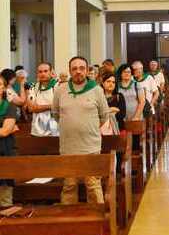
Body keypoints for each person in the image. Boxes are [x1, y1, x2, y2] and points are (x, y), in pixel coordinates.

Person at [52, 56, 110, 204]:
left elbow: (103, 116)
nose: (78, 71)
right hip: (68, 146)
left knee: (93, 185)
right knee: (69, 185)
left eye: (82, 68)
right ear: (70, 70)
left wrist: (87, 127)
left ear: (87, 70)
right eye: (74, 68)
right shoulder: (60, 91)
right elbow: (56, 114)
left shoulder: (97, 90)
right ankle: (68, 220)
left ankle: (97, 219)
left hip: (90, 146)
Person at [0, 76, 19, 207]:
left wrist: (7, 129)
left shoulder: (9, 107)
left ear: (3, 88)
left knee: (4, 202)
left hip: (4, 153)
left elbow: (5, 131)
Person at [27, 62, 59, 137]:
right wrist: (51, 106)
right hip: (37, 131)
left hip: (55, 130)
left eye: (45, 71)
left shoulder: (58, 86)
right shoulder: (33, 87)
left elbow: (60, 106)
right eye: (40, 72)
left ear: (51, 72)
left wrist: (39, 107)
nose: (43, 74)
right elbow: (31, 108)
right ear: (37, 74)